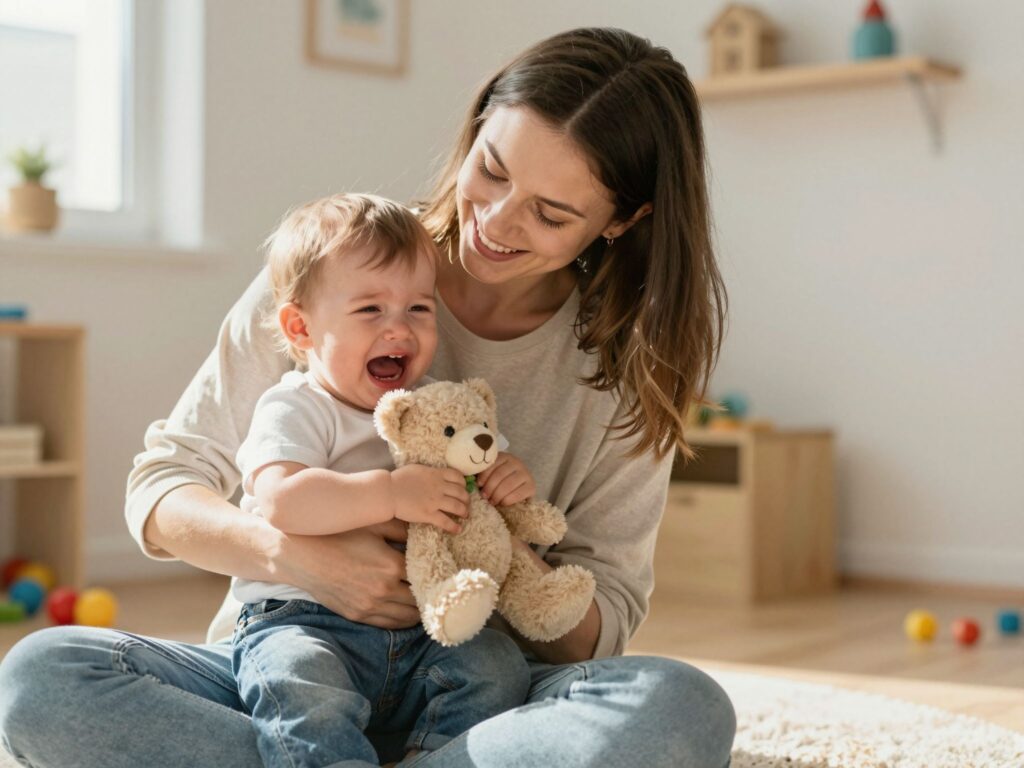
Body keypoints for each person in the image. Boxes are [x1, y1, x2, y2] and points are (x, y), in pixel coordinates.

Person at [0, 27, 736, 768]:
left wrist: (487, 542)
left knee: (680, 708)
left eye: (550, 214)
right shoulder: (340, 264)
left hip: (478, 696)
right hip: (288, 670)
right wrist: (299, 559)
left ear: (621, 220)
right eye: (492, 169)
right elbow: (161, 491)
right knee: (43, 680)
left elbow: (600, 628)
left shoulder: (625, 364)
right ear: (477, 127)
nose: (497, 221)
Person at [226, 193, 531, 767]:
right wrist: (391, 493)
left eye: (419, 309)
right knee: (299, 682)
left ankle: (434, 757)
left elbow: (469, 471)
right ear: (302, 328)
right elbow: (282, 502)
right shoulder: (297, 406)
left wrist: (501, 478)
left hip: (418, 633)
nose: (400, 330)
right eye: (370, 311)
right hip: (304, 621)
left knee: (494, 664)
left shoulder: (424, 409)